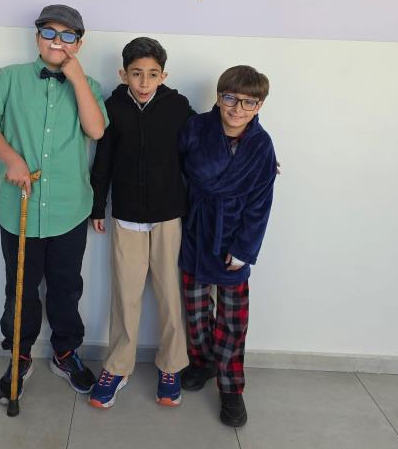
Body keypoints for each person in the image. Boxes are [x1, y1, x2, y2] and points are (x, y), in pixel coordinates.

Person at [0, 4, 108, 406]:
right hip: (20, 208)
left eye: (67, 36)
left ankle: (65, 352)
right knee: (21, 288)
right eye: (49, 33)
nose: (57, 42)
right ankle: (20, 354)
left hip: (69, 209)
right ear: (37, 38)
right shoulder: (9, 77)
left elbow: (95, 130)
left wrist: (77, 78)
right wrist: (12, 160)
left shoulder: (89, 85)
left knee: (66, 286)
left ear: (78, 44)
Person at [88, 37, 194, 408]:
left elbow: (204, 145)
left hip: (169, 217)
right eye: (136, 74)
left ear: (163, 75)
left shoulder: (178, 107)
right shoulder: (113, 107)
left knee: (169, 294)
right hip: (127, 216)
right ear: (124, 74)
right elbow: (102, 160)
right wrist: (98, 206)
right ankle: (118, 367)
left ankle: (172, 366)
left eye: (152, 74)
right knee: (126, 295)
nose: (144, 82)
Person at [179, 65, 277, 427]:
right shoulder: (195, 128)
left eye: (249, 102)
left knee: (233, 321)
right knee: (195, 311)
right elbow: (171, 168)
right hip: (196, 230)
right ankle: (202, 362)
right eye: (230, 98)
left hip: (234, 236)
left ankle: (231, 387)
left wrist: (244, 249)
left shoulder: (261, 145)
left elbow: (260, 203)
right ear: (219, 97)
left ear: (259, 106)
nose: (237, 108)